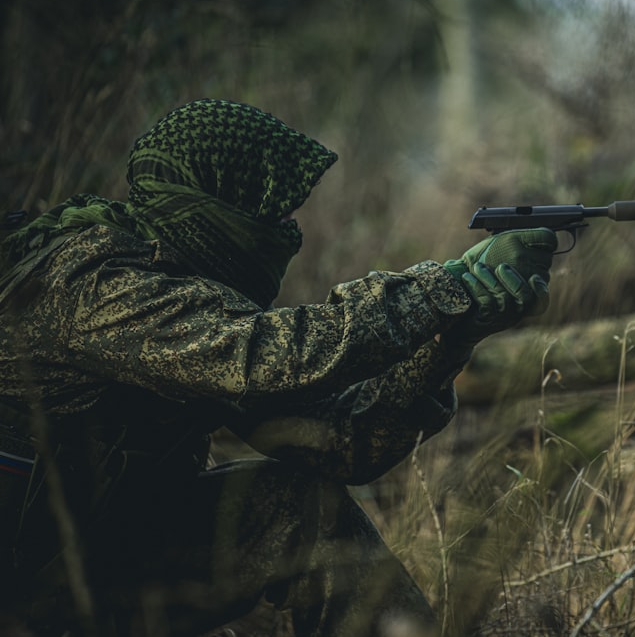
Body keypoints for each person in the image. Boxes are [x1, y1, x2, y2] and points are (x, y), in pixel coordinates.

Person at [0, 98, 558, 636]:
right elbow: (264, 357)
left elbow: (343, 440)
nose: (286, 229)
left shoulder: (188, 291)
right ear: (214, 200)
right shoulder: (91, 282)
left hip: (100, 564)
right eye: (269, 211)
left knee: (300, 509)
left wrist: (451, 338)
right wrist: (440, 287)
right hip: (31, 590)